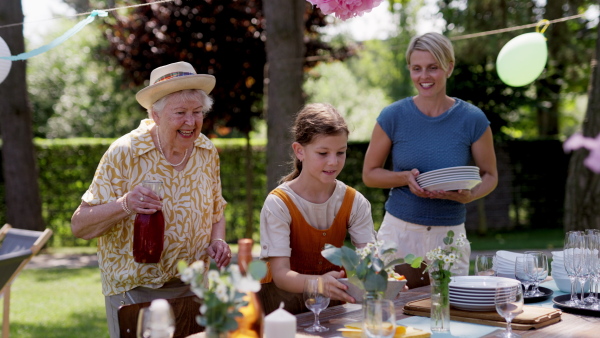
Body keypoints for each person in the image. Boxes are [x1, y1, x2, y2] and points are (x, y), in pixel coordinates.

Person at [71, 61, 231, 338]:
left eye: (197, 112)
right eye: (180, 113)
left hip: (193, 287)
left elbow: (216, 210)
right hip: (135, 292)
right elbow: (80, 225)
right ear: (155, 115)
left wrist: (217, 240)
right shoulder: (125, 152)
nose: (190, 122)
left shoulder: (206, 151)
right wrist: (125, 204)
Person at [362, 32, 498, 275]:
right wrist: (404, 178)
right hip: (399, 234)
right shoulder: (392, 116)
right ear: (410, 70)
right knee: (391, 309)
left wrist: (471, 194)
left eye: (433, 67)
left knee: (449, 309)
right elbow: (370, 175)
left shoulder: (473, 119)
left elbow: (490, 175)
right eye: (417, 68)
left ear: (449, 67)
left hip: (449, 235)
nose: (424, 76)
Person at [258, 103, 376, 315]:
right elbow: (281, 275)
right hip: (280, 311)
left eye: (341, 152)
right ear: (299, 151)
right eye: (323, 153)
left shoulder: (354, 202)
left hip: (332, 312)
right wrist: (319, 284)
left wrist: (382, 279)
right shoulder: (279, 203)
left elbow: (370, 260)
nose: (333, 162)